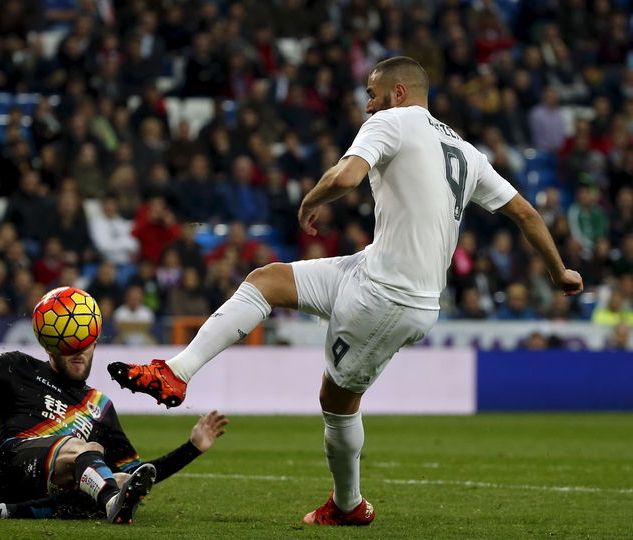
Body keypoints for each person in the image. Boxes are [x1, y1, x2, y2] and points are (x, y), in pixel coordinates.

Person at [107, 57, 584, 526]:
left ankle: (348, 504)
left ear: (398, 93)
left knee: (336, 402)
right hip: (369, 269)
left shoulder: (393, 121)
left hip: (391, 296)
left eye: (372, 95)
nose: (367, 107)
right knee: (266, 280)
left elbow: (347, 175)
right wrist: (559, 269)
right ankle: (175, 371)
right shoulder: (464, 150)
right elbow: (525, 212)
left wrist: (313, 197)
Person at [0, 317, 228, 523]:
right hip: (9, 467)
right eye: (68, 345)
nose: (78, 351)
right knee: (86, 448)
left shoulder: (100, 406)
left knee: (121, 477)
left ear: (95, 345)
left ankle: (16, 513)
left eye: (85, 343)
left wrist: (192, 448)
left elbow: (140, 477)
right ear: (50, 345)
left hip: (56, 485)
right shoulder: (16, 366)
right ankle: (105, 502)